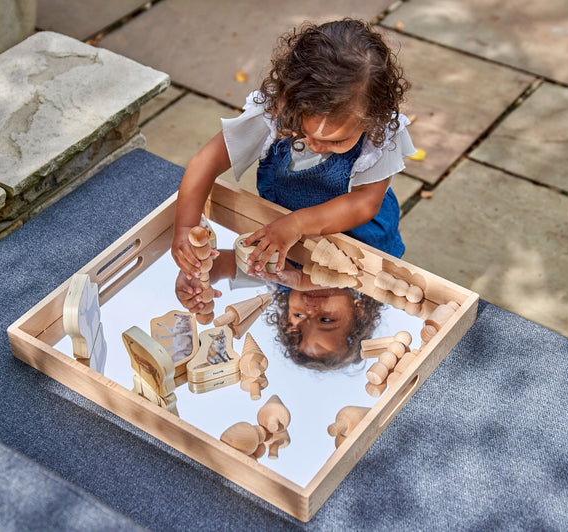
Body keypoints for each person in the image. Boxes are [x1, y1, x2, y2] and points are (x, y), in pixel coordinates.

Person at [171, 18, 415, 280]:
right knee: (294, 305)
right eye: (302, 131)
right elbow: (206, 162)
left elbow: (365, 203)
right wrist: (185, 225)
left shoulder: (380, 133)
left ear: (373, 118)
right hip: (285, 240)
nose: (317, 145)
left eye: (336, 141)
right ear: (287, 102)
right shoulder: (273, 113)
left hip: (356, 251)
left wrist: (297, 224)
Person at [174, 250, 382, 371]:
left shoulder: (278, 275)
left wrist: (196, 278)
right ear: (360, 310)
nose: (310, 311)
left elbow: (220, 264)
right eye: (326, 320)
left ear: (285, 316)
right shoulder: (371, 270)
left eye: (298, 317)